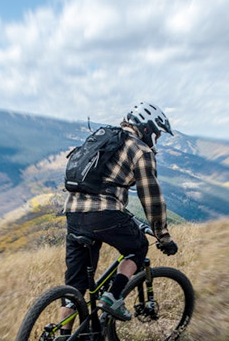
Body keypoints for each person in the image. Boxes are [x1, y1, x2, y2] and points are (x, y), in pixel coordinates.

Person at [62, 102, 178, 325]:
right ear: (148, 129)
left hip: (73, 212)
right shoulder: (141, 150)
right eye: (158, 133)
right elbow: (151, 198)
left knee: (75, 287)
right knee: (137, 247)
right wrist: (163, 236)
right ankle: (114, 296)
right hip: (103, 214)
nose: (157, 139)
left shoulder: (104, 138)